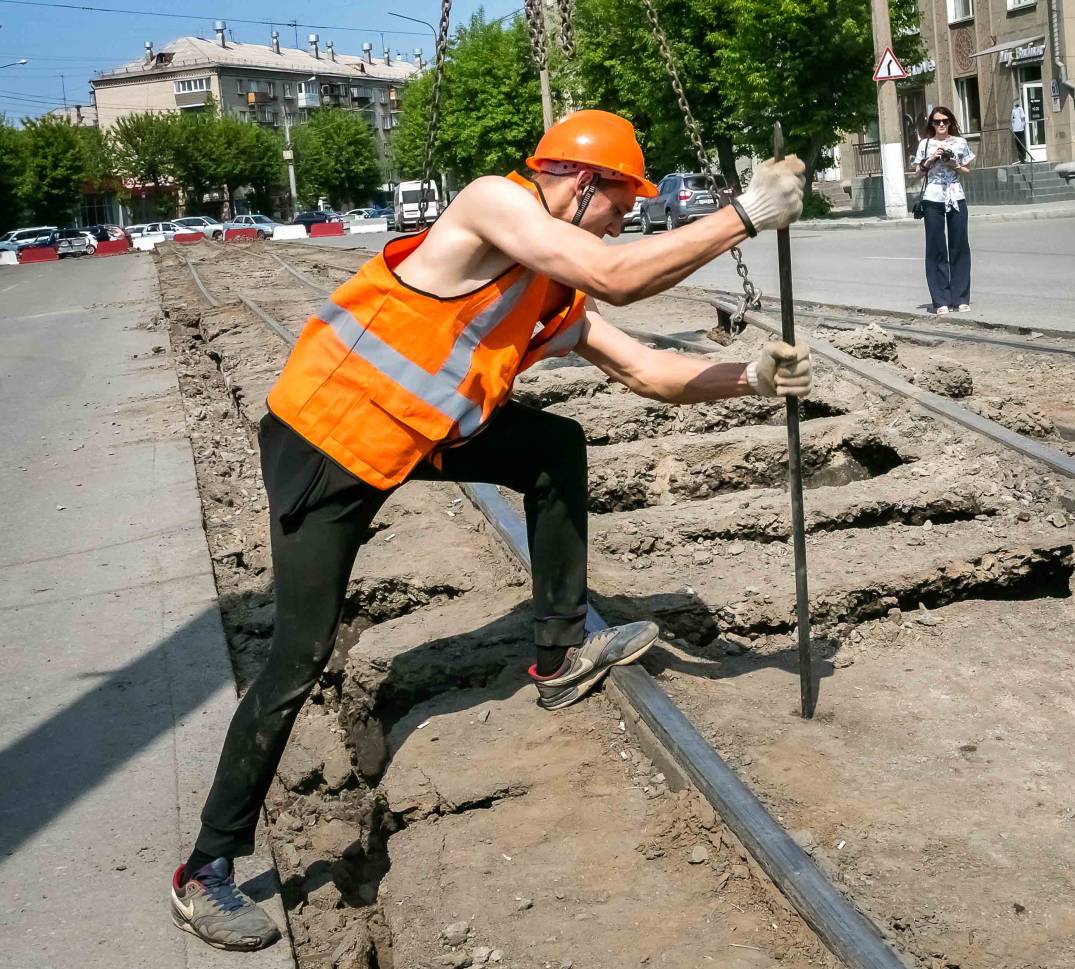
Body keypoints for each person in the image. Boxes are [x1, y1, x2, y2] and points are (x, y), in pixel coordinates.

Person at [169, 109, 810, 952]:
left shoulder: (549, 286)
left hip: (414, 435)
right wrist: (743, 216)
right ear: (581, 185)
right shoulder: (490, 204)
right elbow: (616, 275)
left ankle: (557, 650)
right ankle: (207, 867)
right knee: (300, 653)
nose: (626, 218)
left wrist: (751, 377)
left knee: (553, 446)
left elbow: (648, 370)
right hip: (329, 440)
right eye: (622, 202)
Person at [913, 106, 975, 315]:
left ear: (951, 122)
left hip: (956, 197)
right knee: (936, 248)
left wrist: (952, 163)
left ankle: (961, 298)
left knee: (959, 246)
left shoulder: (960, 142)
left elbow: (967, 172)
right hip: (933, 199)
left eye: (945, 121)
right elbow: (917, 174)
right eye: (937, 121)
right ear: (931, 124)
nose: (941, 125)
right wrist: (931, 160)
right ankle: (940, 300)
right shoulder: (925, 144)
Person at [1011, 99, 1029, 164]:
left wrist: (1014, 128)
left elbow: (1013, 120)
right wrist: (1022, 126)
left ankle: (1022, 158)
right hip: (1019, 130)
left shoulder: (1014, 110)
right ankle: (1022, 158)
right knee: (1021, 144)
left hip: (1016, 130)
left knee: (1019, 145)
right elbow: (1023, 118)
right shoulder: (1019, 109)